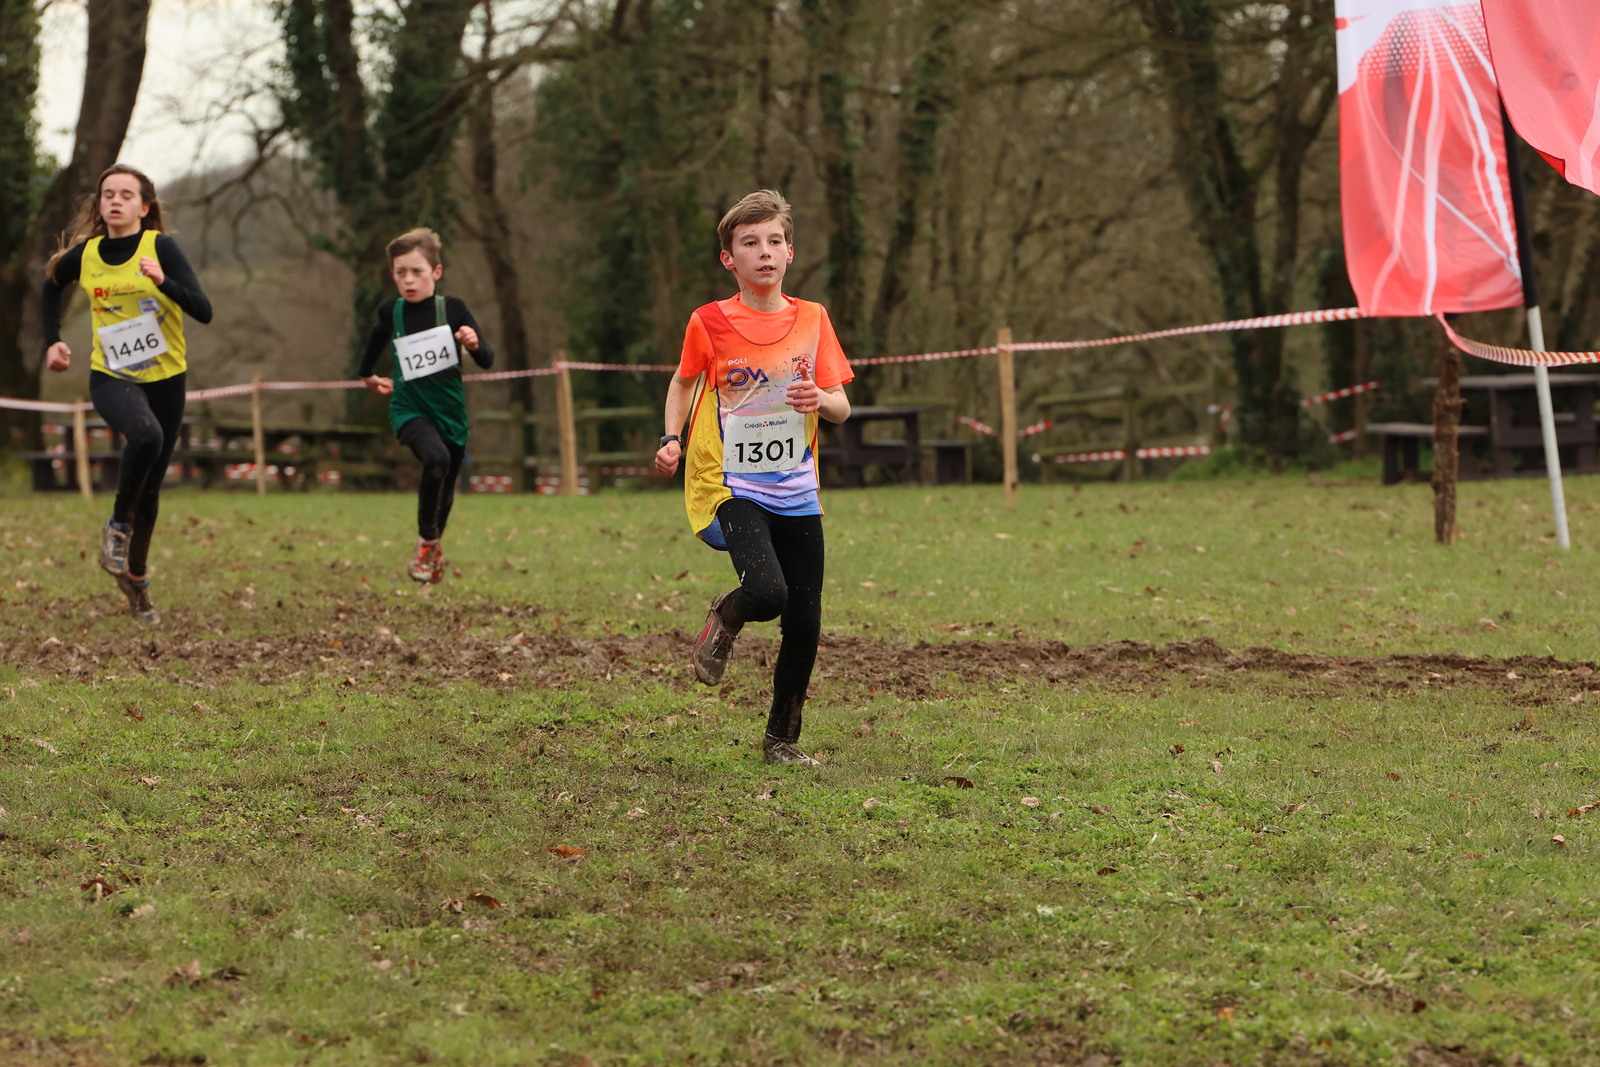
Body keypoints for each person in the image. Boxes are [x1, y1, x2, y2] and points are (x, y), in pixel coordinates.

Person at [654, 189, 853, 766]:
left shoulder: (813, 319)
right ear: (729, 259)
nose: (764, 252)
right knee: (767, 593)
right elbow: (682, 383)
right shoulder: (709, 322)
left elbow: (840, 406)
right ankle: (728, 614)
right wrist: (671, 439)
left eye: (774, 241)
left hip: (798, 490)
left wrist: (820, 399)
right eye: (750, 243)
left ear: (790, 252)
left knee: (805, 620)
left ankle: (781, 741)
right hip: (734, 487)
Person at [41, 164, 214, 625]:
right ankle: (117, 526)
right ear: (99, 205)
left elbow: (204, 310)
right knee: (145, 435)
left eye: (125, 195)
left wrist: (163, 282)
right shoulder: (86, 255)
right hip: (111, 374)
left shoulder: (161, 248)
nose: (114, 201)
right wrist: (52, 340)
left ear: (144, 207)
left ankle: (136, 581)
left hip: (167, 377)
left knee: (152, 490)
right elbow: (50, 285)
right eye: (107, 194)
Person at [359, 227, 493, 582]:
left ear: (436, 272)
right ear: (392, 275)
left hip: (450, 413)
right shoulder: (391, 313)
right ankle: (427, 543)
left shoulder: (453, 309)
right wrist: (368, 376)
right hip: (409, 410)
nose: (408, 280)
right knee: (436, 459)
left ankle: (430, 552)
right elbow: (372, 345)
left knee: (446, 487)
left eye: (416, 271)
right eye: (400, 272)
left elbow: (487, 359)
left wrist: (473, 343)